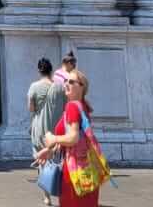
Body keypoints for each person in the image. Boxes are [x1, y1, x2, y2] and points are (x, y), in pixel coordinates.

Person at [36, 69, 107, 206]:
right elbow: (77, 140)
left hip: (73, 174)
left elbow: (73, 137)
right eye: (65, 81)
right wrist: (50, 150)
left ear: (82, 87)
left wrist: (53, 139)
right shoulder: (83, 107)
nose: (66, 84)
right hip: (87, 172)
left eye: (71, 81)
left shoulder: (72, 107)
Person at [28, 58, 66, 202]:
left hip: (39, 129)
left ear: (39, 70)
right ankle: (61, 192)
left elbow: (31, 108)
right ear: (51, 71)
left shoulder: (34, 87)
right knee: (57, 161)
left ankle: (46, 196)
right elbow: (65, 108)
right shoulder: (60, 88)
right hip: (56, 131)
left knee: (42, 161)